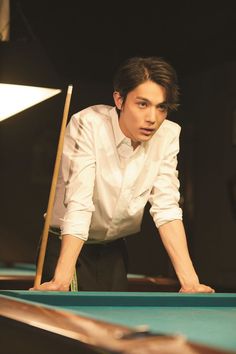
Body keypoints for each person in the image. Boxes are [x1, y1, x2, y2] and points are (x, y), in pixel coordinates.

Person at [32, 56, 214, 293]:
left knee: (111, 328)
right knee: (70, 325)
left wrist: (191, 283)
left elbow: (167, 208)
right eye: (142, 104)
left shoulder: (168, 135)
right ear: (119, 99)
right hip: (67, 244)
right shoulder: (88, 124)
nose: (152, 118)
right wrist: (60, 281)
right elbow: (79, 203)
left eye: (161, 107)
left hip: (113, 249)